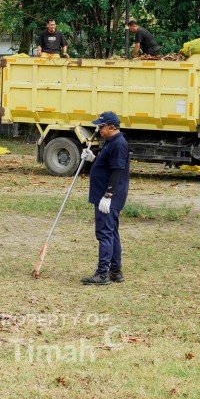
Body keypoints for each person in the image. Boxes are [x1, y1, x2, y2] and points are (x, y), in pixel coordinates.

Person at [80, 111, 130, 285]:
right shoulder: (111, 142)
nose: (99, 129)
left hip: (108, 197)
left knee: (104, 234)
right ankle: (115, 272)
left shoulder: (118, 145)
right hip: (106, 195)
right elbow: (107, 165)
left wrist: (108, 195)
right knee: (111, 233)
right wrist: (93, 159)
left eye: (101, 126)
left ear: (112, 127)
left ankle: (102, 274)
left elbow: (117, 171)